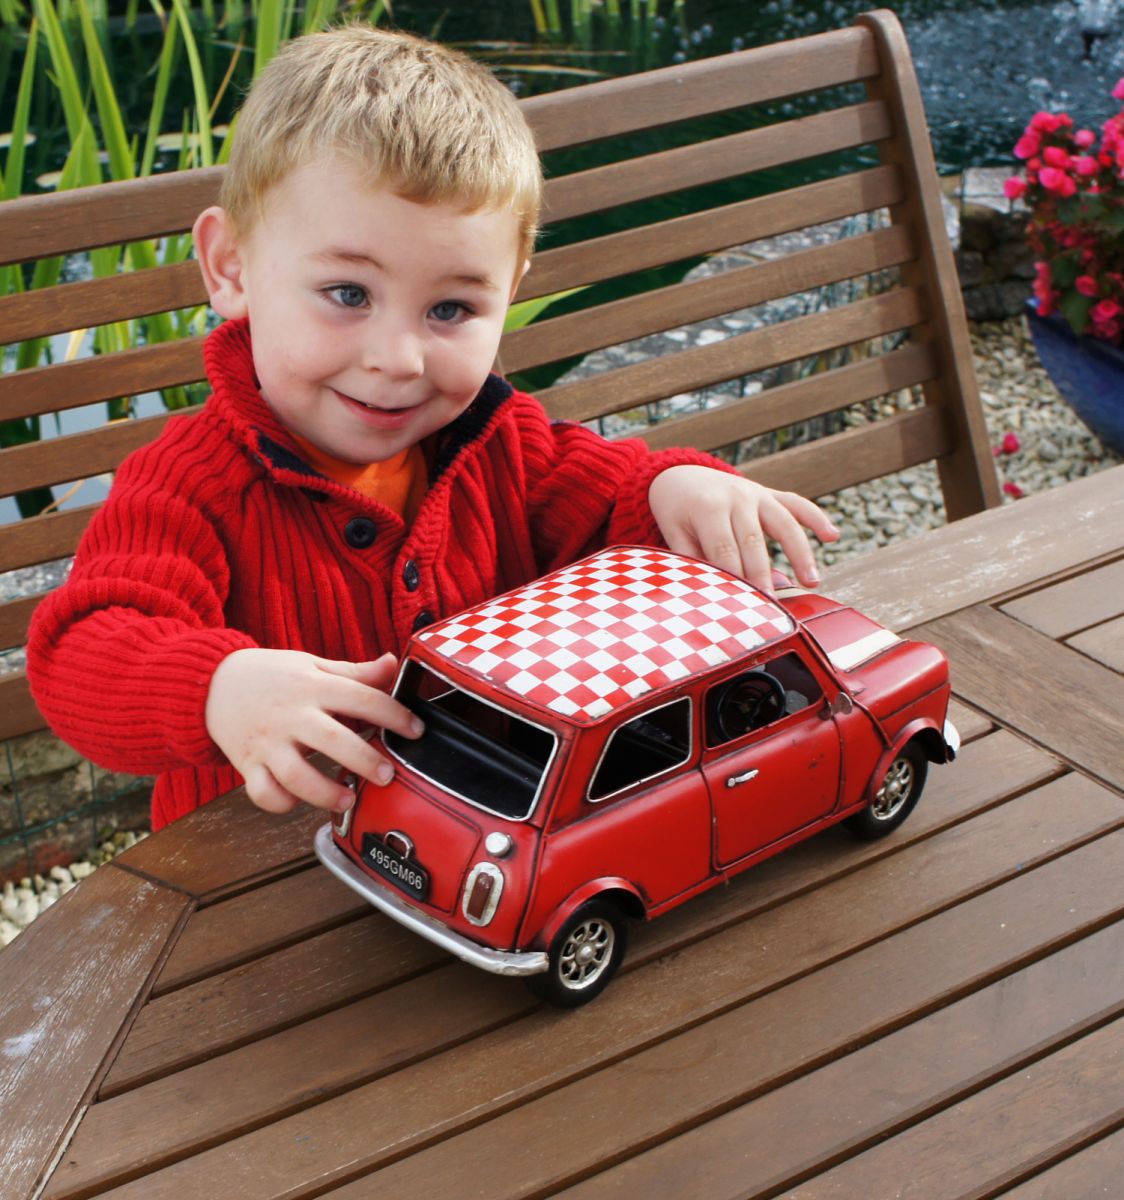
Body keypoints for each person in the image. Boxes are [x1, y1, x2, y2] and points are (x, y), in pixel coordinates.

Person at [27, 24, 838, 832]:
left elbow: (607, 496)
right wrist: (217, 688)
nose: (398, 359)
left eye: (451, 308)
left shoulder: (497, 440)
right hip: (261, 876)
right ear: (231, 267)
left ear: (510, 290)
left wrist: (674, 486)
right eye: (348, 293)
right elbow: (81, 653)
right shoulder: (188, 486)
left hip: (489, 829)